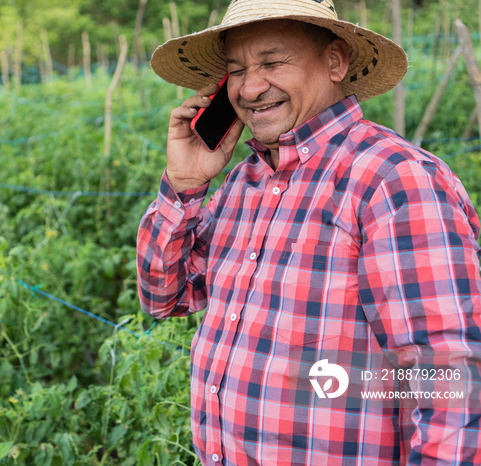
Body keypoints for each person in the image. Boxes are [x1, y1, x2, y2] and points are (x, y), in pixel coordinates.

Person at [136, 0, 481, 464]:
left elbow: (449, 380)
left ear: (335, 61)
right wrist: (184, 186)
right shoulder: (244, 182)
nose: (250, 88)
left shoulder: (393, 180)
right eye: (235, 71)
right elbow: (165, 297)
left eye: (273, 62)